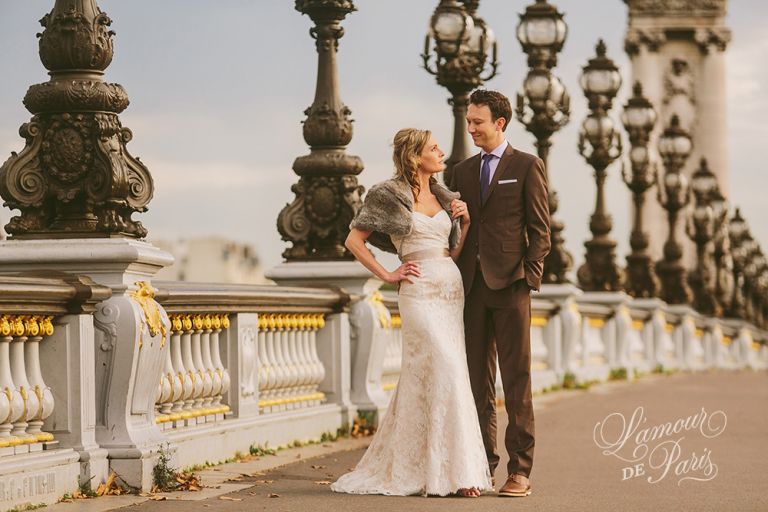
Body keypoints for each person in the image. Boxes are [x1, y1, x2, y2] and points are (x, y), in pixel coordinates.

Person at [330, 128, 492, 497]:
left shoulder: (445, 195)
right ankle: (431, 472)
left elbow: (451, 252)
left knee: (442, 373)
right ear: (416, 156)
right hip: (417, 291)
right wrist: (388, 274)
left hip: (449, 288)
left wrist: (464, 224)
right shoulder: (387, 195)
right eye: (434, 149)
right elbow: (353, 241)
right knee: (444, 367)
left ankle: (457, 473)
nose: (441, 154)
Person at [452, 89, 551, 498]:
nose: (471, 128)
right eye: (468, 122)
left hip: (511, 287)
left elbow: (541, 231)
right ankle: (480, 467)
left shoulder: (527, 165)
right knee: (476, 382)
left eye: (478, 122)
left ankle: (520, 470)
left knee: (516, 380)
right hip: (470, 290)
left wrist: (528, 277)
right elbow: (452, 230)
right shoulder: (459, 173)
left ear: (500, 123)